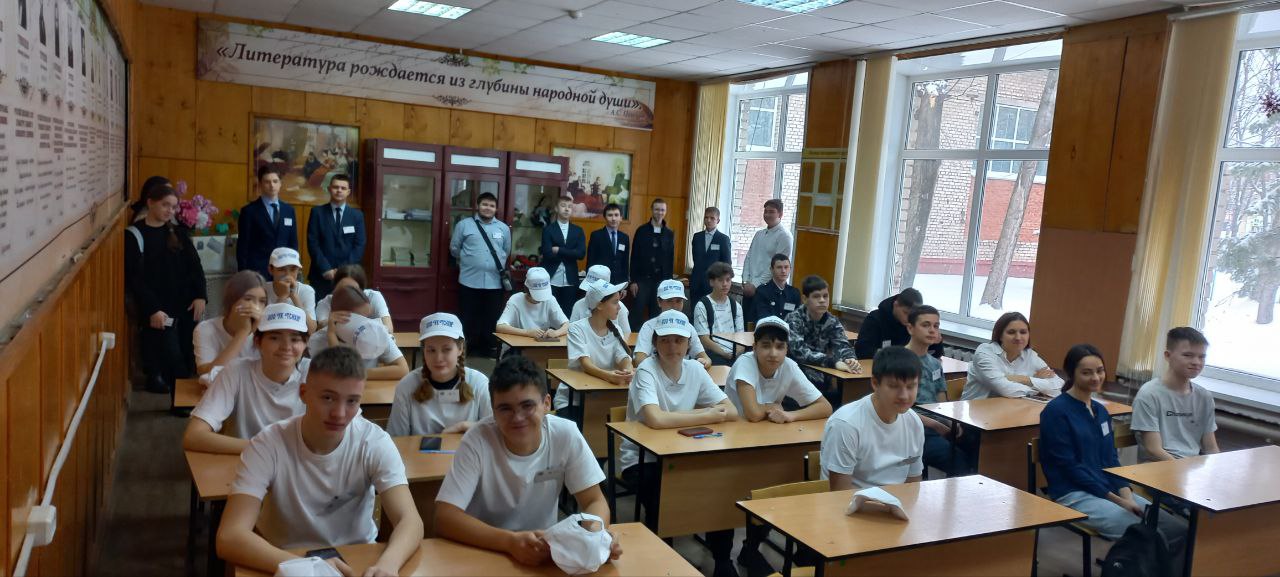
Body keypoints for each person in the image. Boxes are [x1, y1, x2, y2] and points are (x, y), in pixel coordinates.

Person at [216, 347, 424, 577]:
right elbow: (229, 536)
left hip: (356, 558)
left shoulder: (373, 442)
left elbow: (410, 520)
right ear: (303, 393)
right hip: (284, 558)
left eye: (352, 401)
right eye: (328, 398)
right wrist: (309, 567)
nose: (339, 413)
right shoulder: (268, 444)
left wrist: (388, 564)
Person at [434, 355, 623, 566]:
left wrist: (594, 536)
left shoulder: (565, 434)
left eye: (527, 405)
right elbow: (445, 516)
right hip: (486, 549)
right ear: (493, 411)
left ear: (546, 403)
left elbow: (594, 500)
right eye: (505, 408)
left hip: (543, 552)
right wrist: (509, 542)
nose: (517, 417)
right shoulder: (477, 440)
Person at [618, 310, 736, 576]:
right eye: (665, 340)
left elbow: (731, 411)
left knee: (721, 488)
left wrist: (693, 416)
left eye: (679, 340)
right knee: (663, 495)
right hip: (642, 459)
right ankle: (661, 561)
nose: (672, 347)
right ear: (655, 343)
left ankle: (723, 560)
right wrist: (706, 414)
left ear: (689, 343)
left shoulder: (694, 369)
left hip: (683, 454)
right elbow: (655, 419)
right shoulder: (646, 370)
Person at [1040, 344, 1187, 545]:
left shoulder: (1100, 411)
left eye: (1100, 371)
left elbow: (1111, 459)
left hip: (1108, 488)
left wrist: (1127, 496)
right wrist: (1118, 501)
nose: (1096, 377)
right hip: (1073, 492)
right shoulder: (1056, 412)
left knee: (1178, 530)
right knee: (1147, 535)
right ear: (1072, 374)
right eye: (1086, 373)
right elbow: (1069, 467)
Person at [728, 316, 833, 577]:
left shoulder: (789, 366)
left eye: (779, 346)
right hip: (733, 445)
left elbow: (825, 407)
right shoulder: (745, 363)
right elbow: (753, 413)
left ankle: (755, 548)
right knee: (748, 491)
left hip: (770, 441)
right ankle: (737, 553)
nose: (773, 353)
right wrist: (770, 408)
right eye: (765, 345)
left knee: (783, 483)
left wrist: (790, 415)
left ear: (787, 349)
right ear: (754, 347)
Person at [183, 303, 309, 455]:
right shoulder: (236, 372)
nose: (286, 347)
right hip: (243, 462)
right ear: (257, 342)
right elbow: (193, 436)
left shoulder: (314, 373)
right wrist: (266, 449)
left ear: (305, 344)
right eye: (275, 338)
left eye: (295, 339)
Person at [125, 181, 206, 394]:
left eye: (173, 207)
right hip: (159, 310)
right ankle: (180, 403)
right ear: (150, 203)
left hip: (185, 306)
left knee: (187, 358)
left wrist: (200, 296)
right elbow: (135, 278)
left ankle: (180, 404)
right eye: (165, 205)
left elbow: (195, 267)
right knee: (173, 360)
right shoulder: (135, 235)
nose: (170, 211)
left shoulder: (178, 233)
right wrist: (152, 309)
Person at [821, 346, 925, 491]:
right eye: (894, 386)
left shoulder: (914, 422)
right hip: (854, 502)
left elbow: (912, 485)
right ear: (875, 383)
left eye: (911, 386)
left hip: (897, 501)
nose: (904, 396)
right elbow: (840, 494)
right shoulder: (846, 424)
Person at [387, 313, 491, 436]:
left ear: (460, 349)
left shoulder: (479, 384)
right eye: (431, 350)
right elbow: (396, 439)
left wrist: (464, 426)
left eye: (446, 349)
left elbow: (495, 432)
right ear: (423, 351)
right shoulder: (406, 386)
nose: (438, 358)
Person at [1132, 327, 1220, 462]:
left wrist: (1218, 470)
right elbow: (1153, 449)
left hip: (1192, 467)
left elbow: (1211, 448)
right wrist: (1184, 471)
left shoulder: (1204, 397)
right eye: (1188, 355)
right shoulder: (1149, 395)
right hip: (1158, 468)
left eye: (1202, 357)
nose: (1196, 362)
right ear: (1168, 356)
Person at [905, 305, 973, 476]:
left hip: (936, 425)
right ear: (910, 328)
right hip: (911, 428)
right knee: (959, 461)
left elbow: (942, 402)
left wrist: (951, 423)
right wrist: (936, 425)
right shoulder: (898, 360)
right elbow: (899, 410)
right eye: (926, 325)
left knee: (976, 444)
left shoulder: (935, 363)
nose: (932, 330)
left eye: (936, 326)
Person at [559, 279, 634, 415]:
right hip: (574, 399)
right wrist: (608, 376)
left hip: (605, 396)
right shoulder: (577, 328)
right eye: (615, 302)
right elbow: (586, 364)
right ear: (599, 305)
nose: (619, 307)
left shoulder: (616, 329)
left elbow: (623, 357)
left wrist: (628, 371)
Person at [450, 191, 511, 358]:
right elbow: (454, 249)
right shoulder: (464, 225)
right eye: (484, 204)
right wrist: (470, 259)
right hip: (469, 280)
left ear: (496, 208)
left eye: (492, 205)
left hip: (495, 283)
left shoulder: (503, 228)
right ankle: (468, 347)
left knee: (491, 317)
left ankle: (488, 348)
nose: (488, 208)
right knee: (468, 316)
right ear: (478, 206)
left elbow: (506, 251)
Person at [785, 275, 860, 405]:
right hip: (795, 378)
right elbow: (799, 352)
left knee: (850, 389)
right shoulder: (794, 319)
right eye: (816, 296)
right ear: (805, 299)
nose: (822, 300)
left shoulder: (832, 321)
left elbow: (843, 345)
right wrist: (833, 362)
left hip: (822, 378)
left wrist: (850, 359)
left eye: (825, 296)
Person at [309, 286, 408, 381]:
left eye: (367, 318)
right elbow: (339, 370)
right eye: (359, 318)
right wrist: (331, 336)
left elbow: (403, 369)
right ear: (338, 316)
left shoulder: (375, 331)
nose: (367, 323)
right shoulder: (319, 341)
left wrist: (359, 373)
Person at [962, 311, 1063, 400]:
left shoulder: (1030, 356)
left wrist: (1025, 379)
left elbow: (1060, 386)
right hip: (977, 411)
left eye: (1023, 332)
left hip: (1010, 408)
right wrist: (1038, 386)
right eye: (1011, 332)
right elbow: (1005, 389)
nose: (1018, 337)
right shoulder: (985, 352)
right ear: (1000, 336)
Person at [194, 271, 268, 376]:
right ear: (232, 301)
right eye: (248, 299)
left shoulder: (267, 329)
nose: (256, 307)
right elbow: (206, 374)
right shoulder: (206, 329)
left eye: (262, 301)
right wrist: (243, 332)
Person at [305, 174, 365, 300]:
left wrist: (342, 271)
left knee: (345, 310)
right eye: (336, 187)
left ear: (348, 192)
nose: (339, 190)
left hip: (348, 276)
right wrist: (325, 269)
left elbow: (359, 245)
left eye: (343, 188)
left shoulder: (357, 216)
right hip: (321, 275)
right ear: (329, 189)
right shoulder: (317, 213)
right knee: (319, 310)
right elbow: (313, 243)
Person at [237, 166, 299, 280]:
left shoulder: (289, 210)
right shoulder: (249, 211)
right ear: (260, 184)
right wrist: (243, 275)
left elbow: (293, 243)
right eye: (267, 182)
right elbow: (243, 247)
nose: (272, 185)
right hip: (257, 271)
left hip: (283, 270)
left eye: (275, 181)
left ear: (280, 183)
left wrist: (293, 269)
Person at [634, 279, 712, 368]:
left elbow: (705, 358)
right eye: (669, 301)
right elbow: (639, 359)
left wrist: (703, 362)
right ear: (659, 302)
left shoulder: (688, 327)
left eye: (678, 301)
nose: (674, 306)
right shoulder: (648, 326)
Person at [741, 199, 792, 326]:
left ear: (780, 214)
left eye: (772, 212)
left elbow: (776, 267)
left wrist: (756, 285)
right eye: (766, 211)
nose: (767, 214)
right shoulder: (759, 234)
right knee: (746, 326)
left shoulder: (784, 236)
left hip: (767, 291)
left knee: (762, 328)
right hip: (749, 288)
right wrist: (745, 281)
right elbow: (748, 257)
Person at [853, 288, 943, 360]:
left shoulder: (915, 322)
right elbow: (862, 351)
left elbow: (935, 353)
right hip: (881, 368)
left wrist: (937, 343)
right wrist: (897, 354)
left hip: (909, 368)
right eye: (906, 313)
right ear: (896, 305)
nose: (909, 319)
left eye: (912, 315)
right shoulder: (875, 319)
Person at [628, 198, 675, 328]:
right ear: (652, 210)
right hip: (642, 281)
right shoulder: (641, 231)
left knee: (657, 314)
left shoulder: (669, 234)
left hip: (660, 282)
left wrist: (668, 283)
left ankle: (655, 340)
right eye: (657, 209)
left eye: (662, 210)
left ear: (665, 211)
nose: (659, 212)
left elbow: (670, 259)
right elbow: (634, 257)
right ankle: (632, 339)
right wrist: (633, 281)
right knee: (636, 314)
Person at [540, 195, 586, 317]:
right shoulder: (548, 230)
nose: (566, 209)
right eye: (563, 206)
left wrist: (559, 250)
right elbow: (547, 253)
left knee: (567, 313)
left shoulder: (578, 230)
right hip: (551, 278)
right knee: (549, 314)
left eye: (569, 207)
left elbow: (581, 254)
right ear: (556, 208)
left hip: (570, 279)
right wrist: (571, 253)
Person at [495, 267, 569, 341]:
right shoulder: (516, 299)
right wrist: (527, 332)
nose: (541, 300)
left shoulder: (550, 299)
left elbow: (567, 325)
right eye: (537, 296)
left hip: (541, 344)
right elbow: (500, 327)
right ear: (527, 290)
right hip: (517, 344)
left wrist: (556, 333)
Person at [314, 264, 394, 333]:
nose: (347, 294)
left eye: (352, 290)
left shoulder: (373, 297)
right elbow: (320, 329)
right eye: (342, 289)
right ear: (335, 288)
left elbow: (389, 329)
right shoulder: (326, 302)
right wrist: (331, 321)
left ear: (362, 290)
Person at [694, 262, 744, 366]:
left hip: (735, 355)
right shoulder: (702, 305)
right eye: (720, 280)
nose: (725, 284)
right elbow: (704, 339)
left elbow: (741, 338)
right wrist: (725, 354)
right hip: (713, 354)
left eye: (728, 280)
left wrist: (736, 354)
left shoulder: (736, 306)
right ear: (711, 282)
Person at [264, 248, 317, 333]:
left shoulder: (307, 291)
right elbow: (263, 330)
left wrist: (294, 296)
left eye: (293, 269)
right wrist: (282, 297)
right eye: (281, 269)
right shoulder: (262, 290)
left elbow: (311, 330)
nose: (288, 275)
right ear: (271, 270)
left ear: (298, 270)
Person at [570, 265, 632, 335]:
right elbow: (571, 331)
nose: (589, 292)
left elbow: (627, 335)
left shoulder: (620, 307)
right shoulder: (578, 305)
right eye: (588, 289)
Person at [690, 207, 731, 306]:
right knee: (695, 310)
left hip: (714, 284)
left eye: (712, 218)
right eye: (706, 217)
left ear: (718, 220)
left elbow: (726, 263)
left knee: (711, 311)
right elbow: (696, 258)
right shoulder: (697, 237)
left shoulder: (723, 239)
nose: (708, 220)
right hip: (696, 282)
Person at [586, 203, 629, 284]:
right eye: (610, 215)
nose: (613, 218)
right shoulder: (596, 236)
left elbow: (625, 263)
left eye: (616, 215)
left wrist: (624, 284)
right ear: (605, 217)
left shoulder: (625, 238)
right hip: (599, 282)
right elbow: (590, 261)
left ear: (621, 218)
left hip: (618, 282)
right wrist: (590, 282)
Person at [752, 254, 800, 322]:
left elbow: (797, 319)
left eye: (786, 267)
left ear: (790, 269)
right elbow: (763, 319)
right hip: (769, 328)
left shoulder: (794, 293)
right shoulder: (762, 291)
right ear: (771, 269)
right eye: (779, 267)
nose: (783, 271)